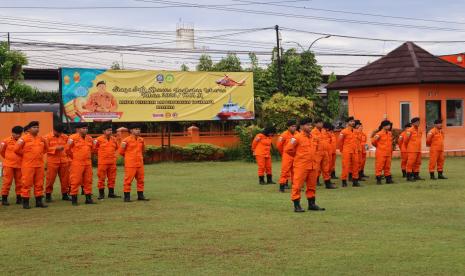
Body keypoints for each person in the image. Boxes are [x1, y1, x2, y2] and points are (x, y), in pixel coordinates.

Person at [285, 118, 325, 212]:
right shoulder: (296, 137)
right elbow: (288, 149)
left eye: (310, 124)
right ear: (302, 126)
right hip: (301, 166)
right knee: (297, 185)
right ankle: (297, 205)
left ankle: (312, 204)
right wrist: (298, 156)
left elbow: (317, 149)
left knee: (312, 185)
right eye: (307, 125)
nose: (310, 126)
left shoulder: (314, 137)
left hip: (312, 165)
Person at [14, 121, 48, 209]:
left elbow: (46, 148)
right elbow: (16, 149)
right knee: (26, 184)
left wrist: (39, 155)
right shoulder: (23, 139)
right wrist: (25, 155)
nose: (36, 129)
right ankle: (25, 202)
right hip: (28, 165)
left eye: (37, 127)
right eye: (34, 127)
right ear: (29, 129)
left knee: (39, 184)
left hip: (39, 165)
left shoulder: (42, 138)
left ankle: (39, 202)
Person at [66, 122, 95, 205]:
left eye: (86, 128)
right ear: (78, 129)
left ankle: (88, 199)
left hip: (88, 163)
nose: (85, 130)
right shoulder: (72, 138)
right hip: (77, 163)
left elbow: (92, 149)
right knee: (75, 181)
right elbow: (67, 149)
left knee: (88, 180)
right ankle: (74, 199)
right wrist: (74, 157)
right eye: (83, 128)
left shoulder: (89, 138)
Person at [119, 123, 149, 202]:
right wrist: (129, 157)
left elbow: (143, 150)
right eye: (136, 129)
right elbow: (121, 152)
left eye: (139, 129)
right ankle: (127, 197)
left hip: (139, 163)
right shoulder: (126, 140)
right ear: (131, 130)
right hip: (130, 164)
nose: (138, 130)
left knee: (141, 180)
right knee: (128, 180)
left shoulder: (141, 140)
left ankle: (140, 196)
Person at [44, 123, 70, 202]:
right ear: (54, 130)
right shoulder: (46, 137)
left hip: (64, 161)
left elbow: (68, 147)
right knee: (50, 179)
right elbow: (44, 149)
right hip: (52, 161)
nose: (60, 134)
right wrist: (55, 148)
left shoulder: (65, 137)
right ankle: (48, 195)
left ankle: (65, 195)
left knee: (65, 179)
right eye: (59, 132)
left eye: (61, 132)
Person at [94, 123, 120, 199]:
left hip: (112, 162)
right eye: (108, 130)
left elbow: (116, 148)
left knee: (112, 178)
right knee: (101, 178)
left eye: (111, 130)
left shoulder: (114, 139)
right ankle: (101, 194)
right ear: (103, 131)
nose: (110, 132)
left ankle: (111, 193)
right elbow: (94, 149)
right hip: (102, 162)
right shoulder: (98, 139)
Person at [1, 126, 24, 206]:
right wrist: (8, 159)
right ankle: (4, 198)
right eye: (16, 134)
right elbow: (2, 151)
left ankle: (19, 198)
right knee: (7, 182)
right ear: (12, 133)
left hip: (20, 165)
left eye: (19, 134)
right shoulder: (6, 141)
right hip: (8, 165)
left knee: (20, 183)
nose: (18, 135)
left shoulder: (23, 141)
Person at [311, 119, 336, 189]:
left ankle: (328, 183)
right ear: (315, 124)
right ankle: (313, 183)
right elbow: (313, 144)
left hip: (325, 152)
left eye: (321, 123)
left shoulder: (323, 131)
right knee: (316, 169)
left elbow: (326, 142)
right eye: (319, 123)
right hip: (317, 153)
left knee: (326, 169)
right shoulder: (313, 132)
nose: (321, 124)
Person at [338, 117, 360, 187]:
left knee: (356, 166)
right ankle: (344, 181)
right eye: (351, 121)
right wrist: (342, 150)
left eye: (353, 121)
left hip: (355, 151)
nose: (353, 122)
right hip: (346, 151)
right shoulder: (343, 131)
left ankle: (355, 181)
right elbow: (340, 142)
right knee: (346, 166)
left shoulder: (356, 131)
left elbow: (358, 141)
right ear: (347, 123)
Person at [276, 119, 298, 192]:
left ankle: (295, 186)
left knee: (295, 171)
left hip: (295, 155)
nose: (294, 128)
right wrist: (284, 153)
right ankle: (282, 187)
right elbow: (279, 145)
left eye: (295, 126)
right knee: (285, 171)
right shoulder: (283, 135)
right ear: (288, 127)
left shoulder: (298, 134)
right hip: (287, 155)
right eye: (292, 126)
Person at [371, 120, 394, 184]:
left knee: (387, 166)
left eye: (389, 125)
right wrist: (379, 147)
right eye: (388, 125)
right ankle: (378, 180)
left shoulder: (390, 133)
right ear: (383, 126)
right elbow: (373, 142)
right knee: (379, 166)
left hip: (388, 153)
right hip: (381, 153)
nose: (389, 126)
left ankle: (388, 180)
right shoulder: (379, 134)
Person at [404, 117, 424, 182]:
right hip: (412, 150)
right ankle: (409, 176)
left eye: (418, 122)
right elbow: (406, 140)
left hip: (418, 149)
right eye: (416, 122)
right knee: (410, 163)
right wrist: (409, 147)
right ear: (413, 123)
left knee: (418, 163)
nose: (418, 123)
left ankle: (416, 175)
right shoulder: (409, 130)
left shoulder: (420, 130)